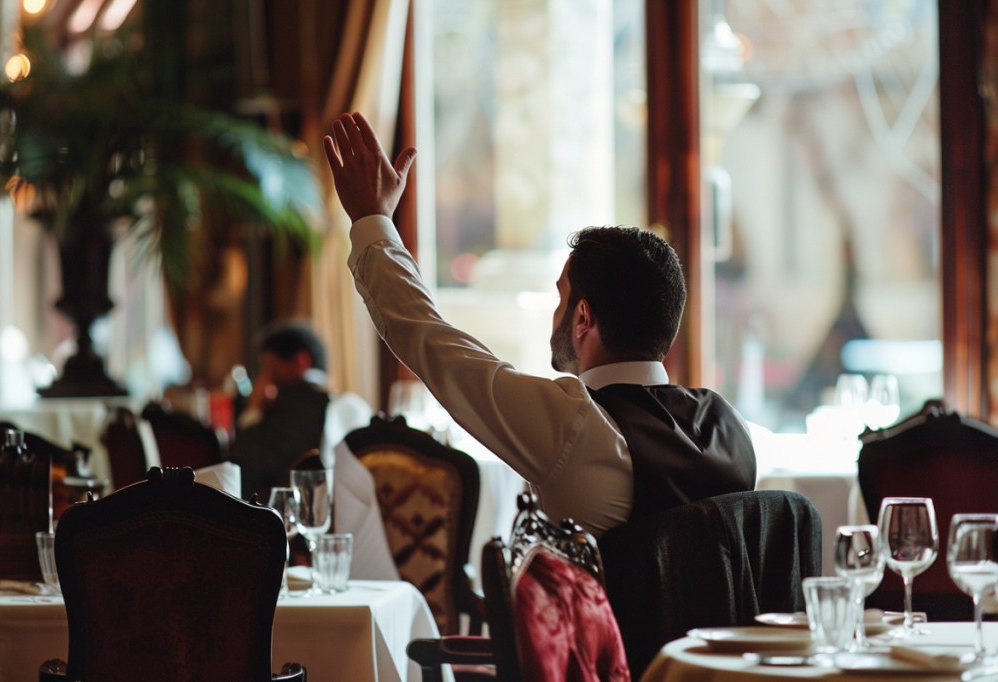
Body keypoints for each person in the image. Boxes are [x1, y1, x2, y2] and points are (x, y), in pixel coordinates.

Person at [322, 112, 757, 539]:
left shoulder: (575, 423)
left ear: (582, 317)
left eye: (560, 298)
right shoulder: (729, 427)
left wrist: (371, 218)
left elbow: (426, 336)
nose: (556, 313)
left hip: (602, 615)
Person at [231, 319, 398, 580]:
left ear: (300, 361)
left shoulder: (294, 404)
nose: (265, 379)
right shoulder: (344, 402)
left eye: (271, 368)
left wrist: (253, 410)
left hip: (285, 539)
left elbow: (246, 466)